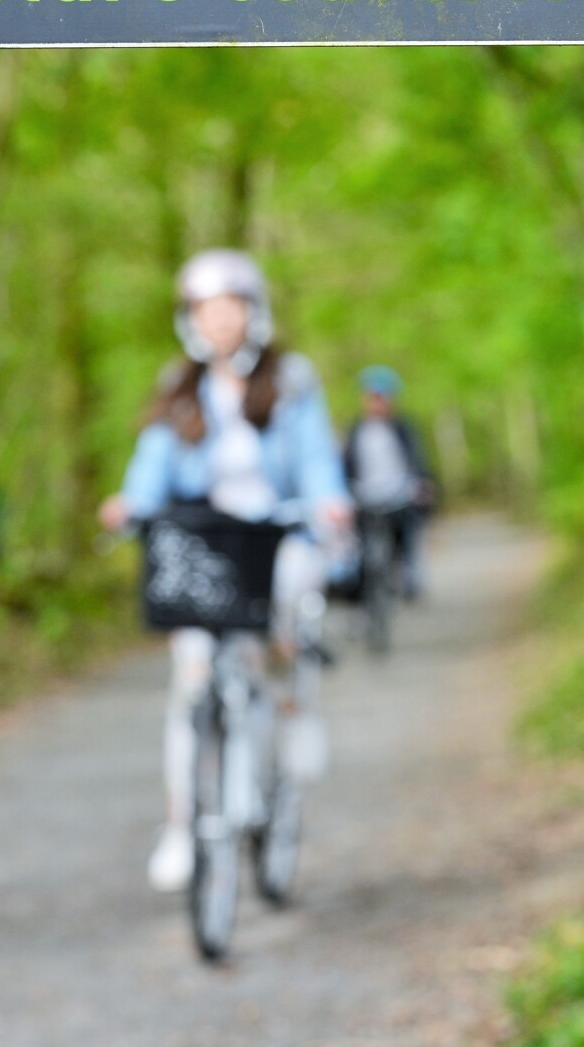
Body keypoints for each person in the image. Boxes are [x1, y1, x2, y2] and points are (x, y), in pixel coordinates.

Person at [99, 249, 350, 893]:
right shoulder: (181, 384)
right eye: (206, 309)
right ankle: (184, 824)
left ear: (253, 311)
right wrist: (131, 503)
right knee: (191, 681)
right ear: (191, 318)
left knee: (281, 628)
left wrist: (330, 502)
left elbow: (317, 456)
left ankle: (291, 707)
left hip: (279, 534)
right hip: (206, 543)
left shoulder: (290, 380)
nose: (219, 321)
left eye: (229, 307)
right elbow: (152, 460)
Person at [342, 365, 435, 599]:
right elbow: (345, 465)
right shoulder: (356, 430)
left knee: (406, 534)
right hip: (365, 496)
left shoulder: (403, 428)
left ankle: (409, 574)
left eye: (382, 397)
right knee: (360, 543)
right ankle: (360, 587)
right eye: (372, 397)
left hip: (399, 496)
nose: (377, 403)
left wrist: (423, 484)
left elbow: (417, 459)